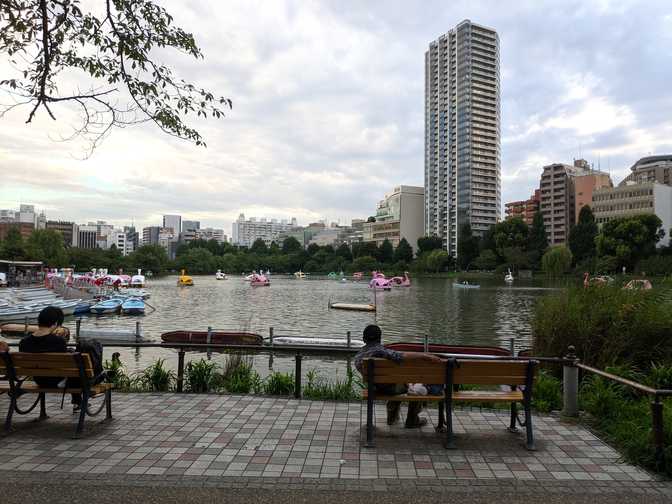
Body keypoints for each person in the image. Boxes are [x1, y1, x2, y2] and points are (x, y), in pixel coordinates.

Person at [355, 324, 443, 428]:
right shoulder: (381, 351)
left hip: (374, 388)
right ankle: (412, 420)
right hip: (391, 388)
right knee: (414, 384)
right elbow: (401, 356)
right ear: (379, 338)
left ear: (364, 339)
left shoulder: (358, 356)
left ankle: (392, 417)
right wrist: (424, 355)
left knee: (397, 381)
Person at [18, 306, 68, 388]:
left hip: (38, 380)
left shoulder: (24, 342)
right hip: (57, 381)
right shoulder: (59, 341)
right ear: (55, 323)